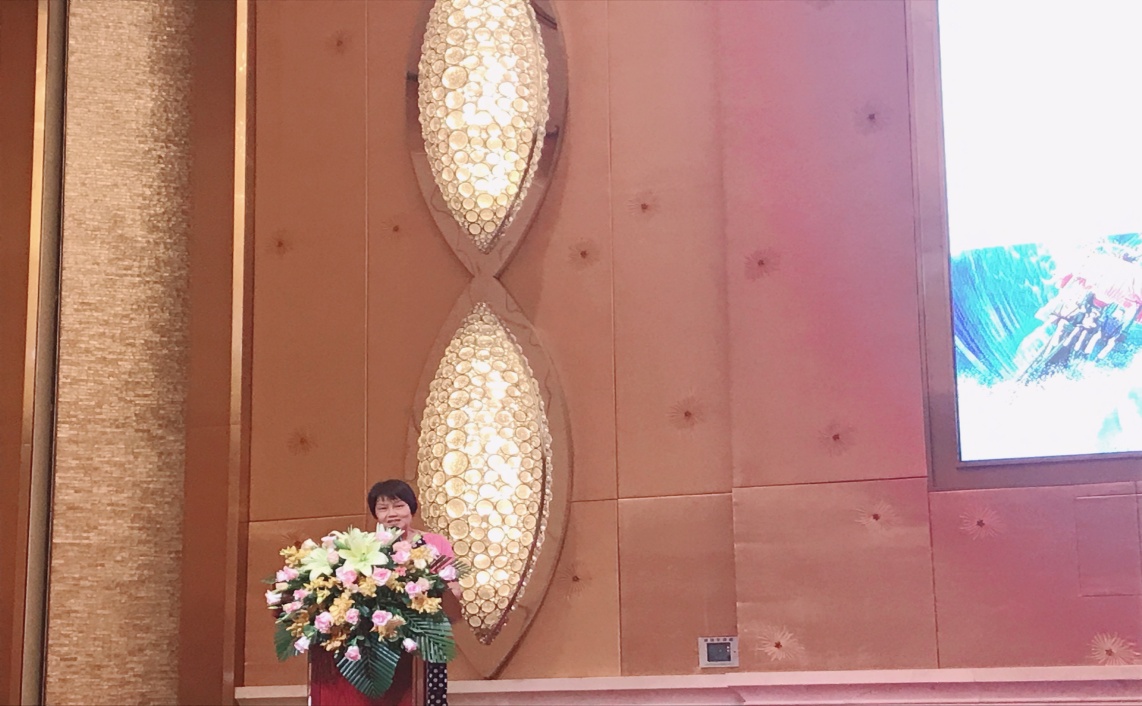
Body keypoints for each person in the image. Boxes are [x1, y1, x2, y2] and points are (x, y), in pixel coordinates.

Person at [367, 479, 458, 706]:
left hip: (427, 633)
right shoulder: (368, 547)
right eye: (383, 508)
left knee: (427, 694)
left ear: (411, 508)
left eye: (398, 505)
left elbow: (454, 588)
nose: (391, 514)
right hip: (381, 636)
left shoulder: (435, 543)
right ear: (376, 515)